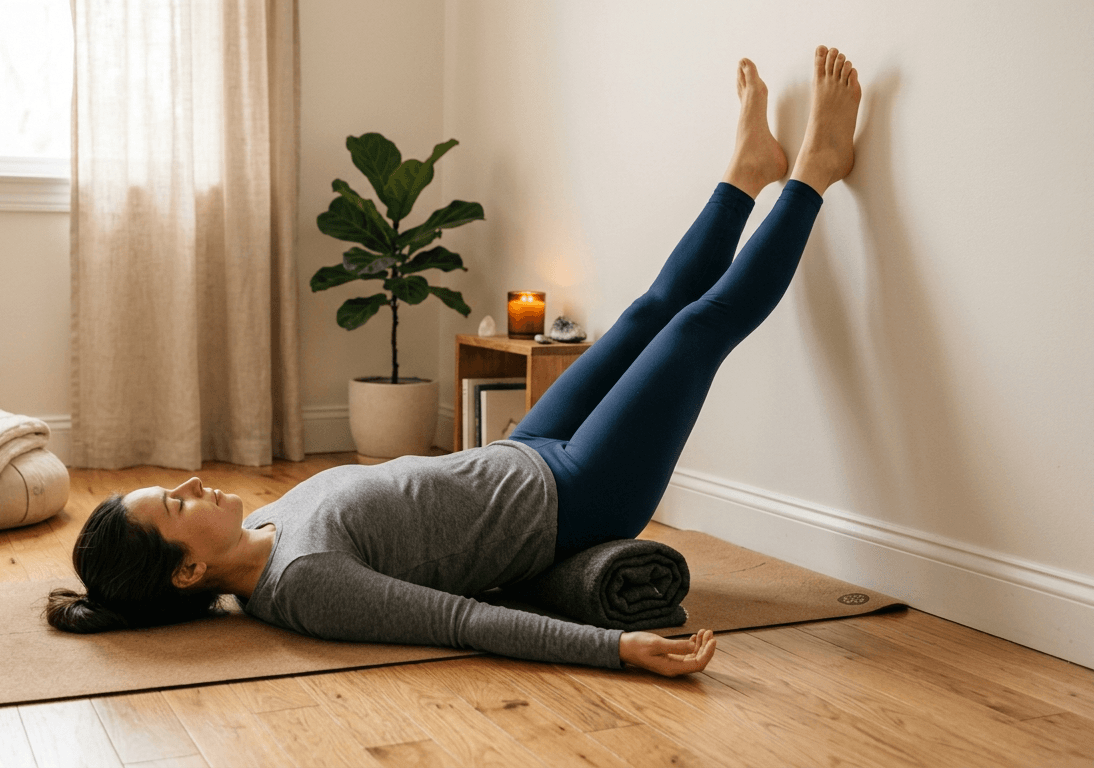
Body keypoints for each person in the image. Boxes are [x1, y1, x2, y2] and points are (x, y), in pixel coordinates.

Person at [47, 46, 862, 678]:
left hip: (524, 453)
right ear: (189, 570)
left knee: (647, 315)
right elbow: (460, 623)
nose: (191, 484)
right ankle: (814, 174)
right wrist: (615, 649)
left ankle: (744, 177)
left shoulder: (264, 528)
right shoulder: (306, 587)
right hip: (577, 497)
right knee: (694, 331)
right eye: (176, 506)